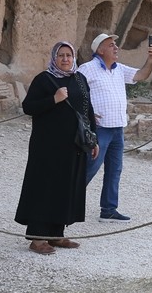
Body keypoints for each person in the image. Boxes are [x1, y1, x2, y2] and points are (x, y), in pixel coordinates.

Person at [16, 41, 99, 255]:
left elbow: (87, 109)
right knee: (45, 188)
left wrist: (94, 139)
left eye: (68, 55)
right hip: (47, 147)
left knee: (65, 188)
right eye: (61, 55)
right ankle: (37, 238)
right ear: (54, 58)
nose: (65, 59)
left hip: (74, 146)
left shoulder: (79, 79)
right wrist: (54, 99)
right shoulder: (44, 80)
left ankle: (57, 234)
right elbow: (28, 107)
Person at [79, 32, 152, 222]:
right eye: (111, 44)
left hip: (117, 128)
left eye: (115, 44)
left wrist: (151, 59)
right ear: (100, 49)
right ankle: (67, 200)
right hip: (99, 129)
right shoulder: (86, 69)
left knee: (115, 170)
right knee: (90, 167)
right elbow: (76, 92)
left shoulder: (118, 69)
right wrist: (85, 113)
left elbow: (141, 74)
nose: (116, 47)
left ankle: (109, 209)